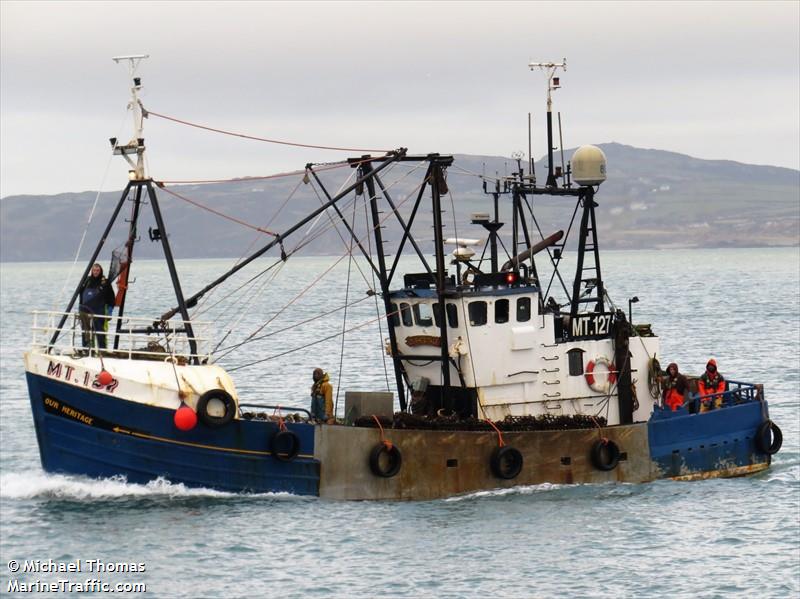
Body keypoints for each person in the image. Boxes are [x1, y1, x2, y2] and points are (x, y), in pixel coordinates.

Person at [79, 263, 115, 350]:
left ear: (101, 271)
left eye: (97, 270)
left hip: (99, 310)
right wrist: (80, 307)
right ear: (91, 271)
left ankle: (102, 351)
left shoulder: (105, 282)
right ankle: (87, 349)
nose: (95, 272)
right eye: (94, 270)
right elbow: (81, 295)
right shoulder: (87, 281)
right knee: (85, 332)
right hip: (85, 310)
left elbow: (111, 297)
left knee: (100, 332)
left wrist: (110, 311)